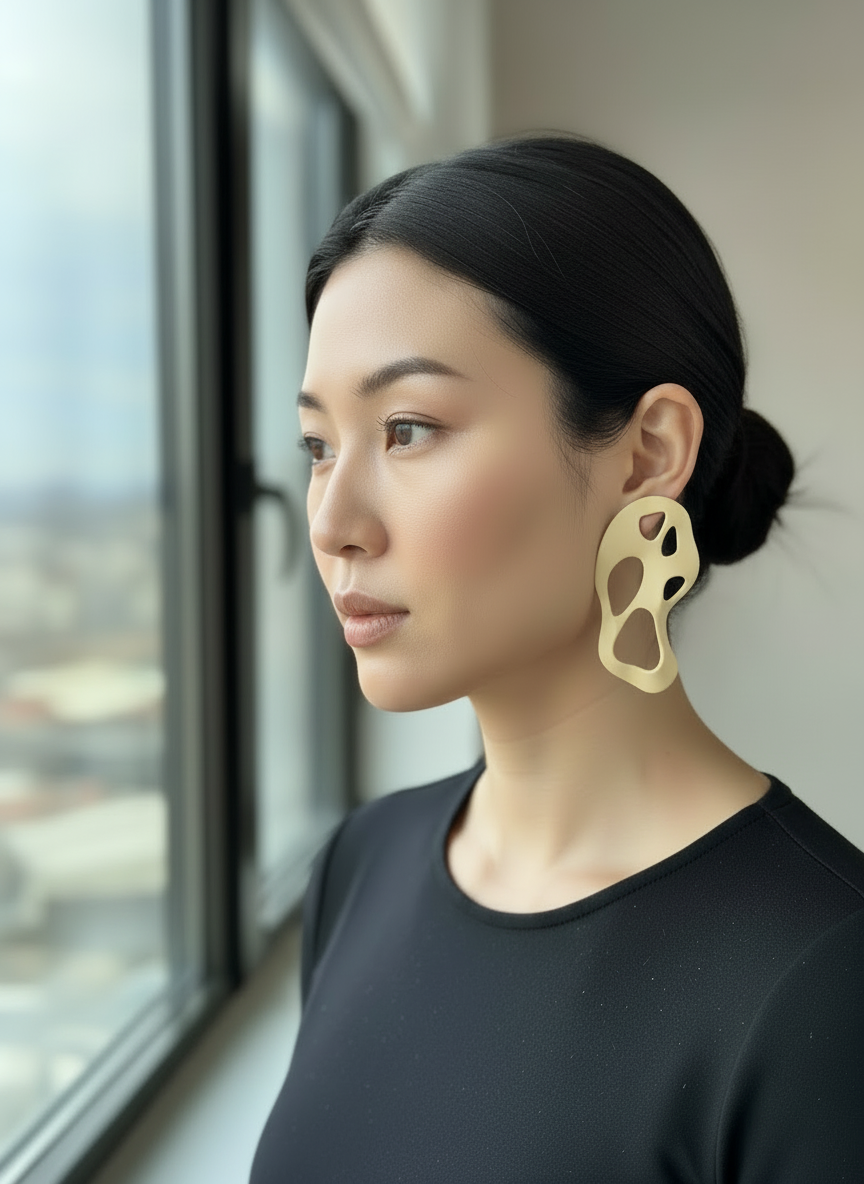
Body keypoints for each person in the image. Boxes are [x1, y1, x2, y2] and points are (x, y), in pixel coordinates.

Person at [249, 134, 864, 1182]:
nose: (334, 520)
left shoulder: (824, 976)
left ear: (648, 452)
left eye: (406, 427)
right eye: (318, 445)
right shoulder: (363, 862)